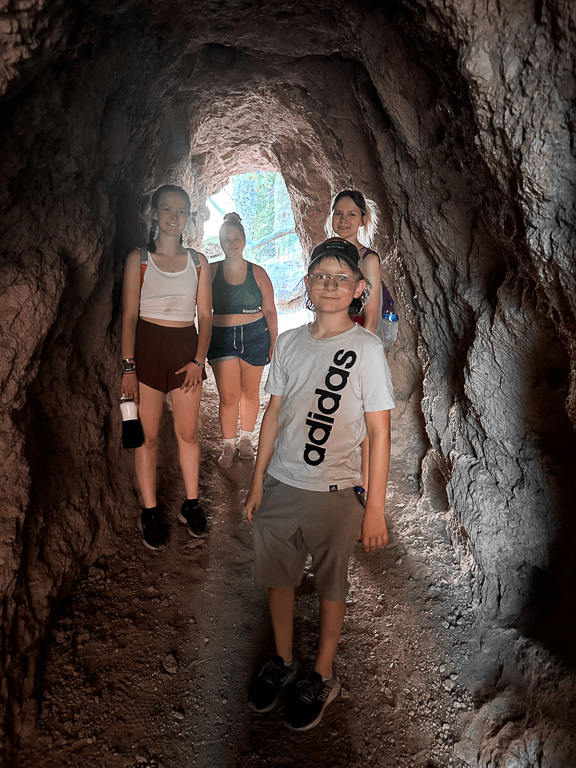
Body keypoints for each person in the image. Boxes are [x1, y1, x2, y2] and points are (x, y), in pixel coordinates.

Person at [244, 237, 395, 731]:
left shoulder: (366, 350)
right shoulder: (289, 342)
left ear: (358, 289)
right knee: (279, 577)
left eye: (340, 277)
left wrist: (374, 508)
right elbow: (273, 415)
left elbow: (378, 430)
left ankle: (323, 674)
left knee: (332, 584)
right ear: (307, 285)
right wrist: (257, 480)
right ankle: (285, 661)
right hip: (283, 481)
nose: (330, 285)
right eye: (321, 276)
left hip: (335, 492)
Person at [121, 184, 212, 550]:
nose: (174, 218)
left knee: (187, 432)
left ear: (188, 218)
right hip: (147, 350)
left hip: (184, 351)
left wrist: (197, 361)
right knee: (148, 436)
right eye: (167, 210)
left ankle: (190, 505)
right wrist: (128, 367)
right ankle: (150, 512)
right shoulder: (138, 259)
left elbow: (205, 317)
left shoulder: (199, 261)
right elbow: (128, 317)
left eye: (181, 212)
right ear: (155, 213)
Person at [207, 212, 277, 468]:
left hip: (255, 335)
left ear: (244, 240)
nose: (232, 243)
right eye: (227, 239)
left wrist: (273, 340)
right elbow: (201, 310)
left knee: (249, 392)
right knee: (228, 395)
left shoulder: (257, 272)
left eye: (236, 238)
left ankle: (246, 440)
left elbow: (270, 309)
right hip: (222, 336)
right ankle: (228, 445)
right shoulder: (211, 271)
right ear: (221, 241)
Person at [326, 189, 394, 339]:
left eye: (352, 214)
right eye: (338, 213)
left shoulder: (368, 260)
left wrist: (361, 355)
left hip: (355, 340)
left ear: (363, 220)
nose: (343, 220)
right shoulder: (325, 255)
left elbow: (371, 320)